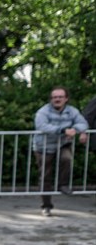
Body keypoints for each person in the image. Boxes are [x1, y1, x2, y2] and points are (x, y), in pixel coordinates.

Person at [33, 87, 89, 216]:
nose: (57, 99)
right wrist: (63, 130)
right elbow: (41, 126)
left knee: (67, 158)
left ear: (66, 99)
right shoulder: (43, 111)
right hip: (44, 146)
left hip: (62, 144)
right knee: (45, 176)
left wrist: (77, 130)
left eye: (60, 97)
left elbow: (83, 123)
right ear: (51, 99)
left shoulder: (72, 111)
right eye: (54, 97)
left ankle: (62, 184)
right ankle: (46, 206)